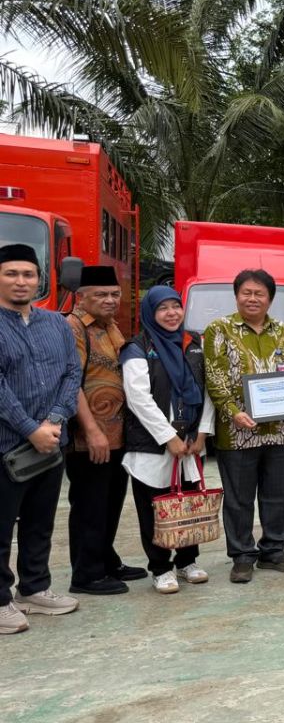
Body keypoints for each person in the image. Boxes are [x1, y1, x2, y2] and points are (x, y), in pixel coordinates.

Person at [203, 269, 284, 583]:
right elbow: (215, 376)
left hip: (283, 430)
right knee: (239, 499)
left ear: (269, 298)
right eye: (246, 292)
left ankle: (273, 550)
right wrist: (233, 411)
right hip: (238, 431)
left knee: (277, 495)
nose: (252, 298)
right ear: (236, 296)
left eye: (259, 293)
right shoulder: (218, 329)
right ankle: (242, 556)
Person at [0, 244, 81, 634]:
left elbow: (72, 372)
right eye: (11, 274)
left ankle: (33, 588)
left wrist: (54, 420)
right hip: (6, 445)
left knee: (39, 522)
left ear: (39, 280)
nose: (21, 281)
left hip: (50, 444)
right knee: (1, 528)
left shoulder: (56, 324)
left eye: (28, 274)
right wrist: (31, 429)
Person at [119, 287, 215, 594]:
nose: (172, 313)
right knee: (155, 508)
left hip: (190, 441)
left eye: (176, 306)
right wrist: (168, 438)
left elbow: (208, 391)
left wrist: (202, 433)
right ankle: (160, 567)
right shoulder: (137, 347)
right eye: (163, 308)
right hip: (153, 444)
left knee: (189, 502)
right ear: (150, 312)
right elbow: (138, 399)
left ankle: (187, 561)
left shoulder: (193, 343)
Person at [65, 265, 146, 595]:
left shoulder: (110, 326)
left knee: (110, 502)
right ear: (81, 298)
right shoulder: (73, 328)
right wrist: (91, 430)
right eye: (100, 294)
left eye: (114, 294)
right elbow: (71, 383)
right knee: (90, 505)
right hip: (89, 438)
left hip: (117, 434)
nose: (110, 300)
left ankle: (106, 560)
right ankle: (86, 574)